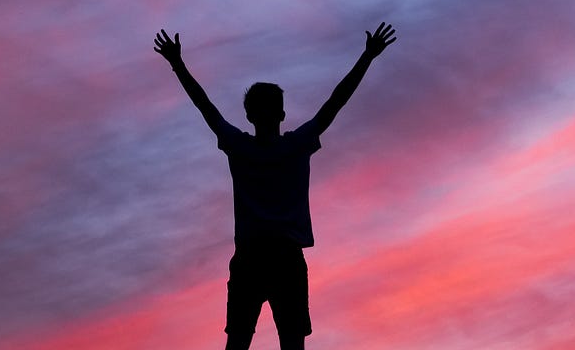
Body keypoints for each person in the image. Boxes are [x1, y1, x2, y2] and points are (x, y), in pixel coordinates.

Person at [154, 23, 397, 349]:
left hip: (252, 258)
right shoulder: (295, 145)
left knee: (239, 343)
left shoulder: (239, 145)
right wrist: (367, 56)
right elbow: (334, 103)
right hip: (283, 258)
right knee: (290, 344)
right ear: (280, 113)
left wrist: (178, 64)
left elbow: (206, 107)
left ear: (250, 115)